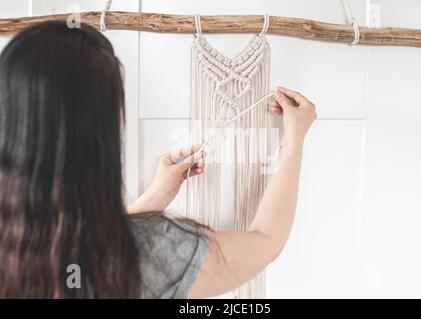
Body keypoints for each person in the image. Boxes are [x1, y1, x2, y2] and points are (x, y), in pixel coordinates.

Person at [0, 21, 316, 299]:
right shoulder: (145, 254)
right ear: (100, 133)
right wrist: (294, 137)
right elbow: (265, 242)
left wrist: (154, 197)